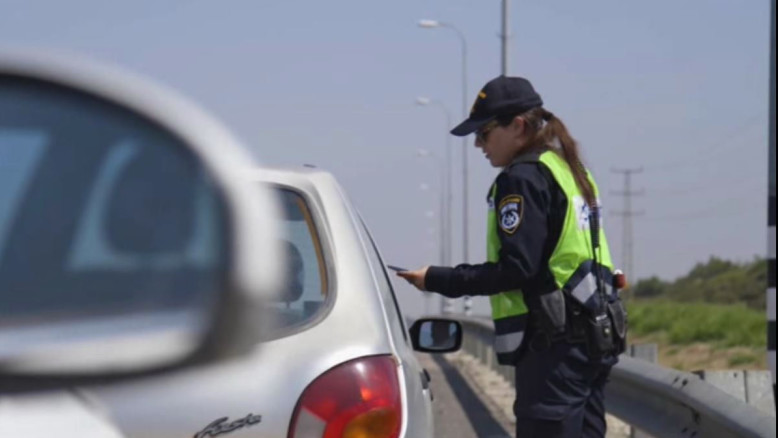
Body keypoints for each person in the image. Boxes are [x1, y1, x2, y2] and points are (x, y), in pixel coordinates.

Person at [397, 76, 627, 438]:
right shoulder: (569, 170)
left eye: (484, 133)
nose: (477, 145)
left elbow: (516, 269)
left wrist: (438, 279)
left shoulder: (522, 178)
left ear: (518, 126)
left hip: (554, 348)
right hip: (593, 339)